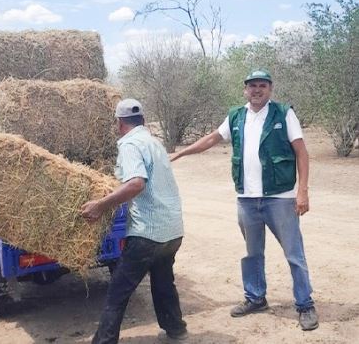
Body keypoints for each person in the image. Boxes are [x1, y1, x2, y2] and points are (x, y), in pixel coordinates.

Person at [170, 69, 318, 331]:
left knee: (294, 254)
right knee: (252, 254)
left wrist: (302, 191)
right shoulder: (236, 116)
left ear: (270, 89)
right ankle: (255, 298)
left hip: (280, 199)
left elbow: (302, 153)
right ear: (245, 90)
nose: (257, 90)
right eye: (252, 86)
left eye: (262, 85)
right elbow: (212, 139)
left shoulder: (283, 113)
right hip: (247, 200)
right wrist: (180, 154)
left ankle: (305, 305)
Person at [81, 99, 188, 343]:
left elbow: (136, 183)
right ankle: (176, 329)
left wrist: (100, 205)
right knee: (163, 281)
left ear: (119, 123)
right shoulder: (154, 142)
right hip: (172, 229)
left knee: (118, 292)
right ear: (142, 119)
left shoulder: (129, 144)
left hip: (147, 233)